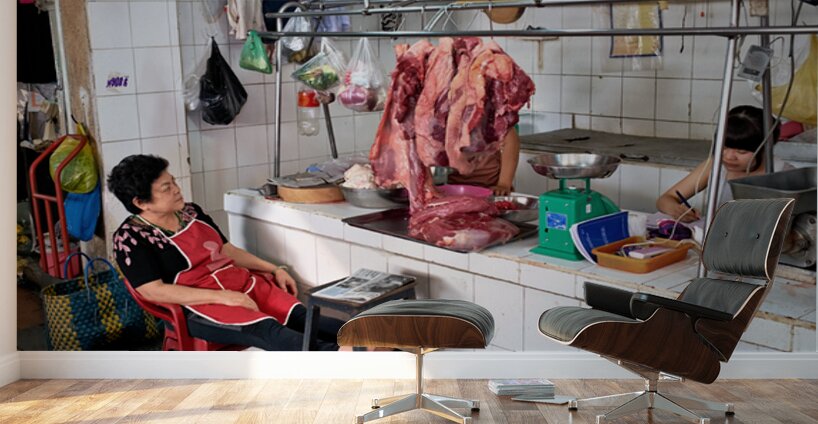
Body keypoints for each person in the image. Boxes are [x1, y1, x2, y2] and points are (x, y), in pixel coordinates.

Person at [108, 154, 345, 351]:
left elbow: (227, 250)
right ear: (141, 203)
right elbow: (153, 290)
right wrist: (223, 298)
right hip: (198, 307)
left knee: (302, 318)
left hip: (241, 284)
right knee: (269, 331)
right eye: (166, 188)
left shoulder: (192, 212)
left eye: (174, 182)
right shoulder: (130, 238)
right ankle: (344, 358)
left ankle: (368, 339)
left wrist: (275, 269)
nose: (177, 190)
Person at [657, 105, 793, 223]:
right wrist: (677, 210)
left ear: (766, 147)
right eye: (724, 147)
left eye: (741, 151)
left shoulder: (784, 174)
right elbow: (665, 199)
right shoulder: (714, 166)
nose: (728, 157)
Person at [447, 128, 520, 196]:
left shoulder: (489, 117)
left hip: (492, 187)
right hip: (452, 188)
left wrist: (504, 184)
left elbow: (510, 138)